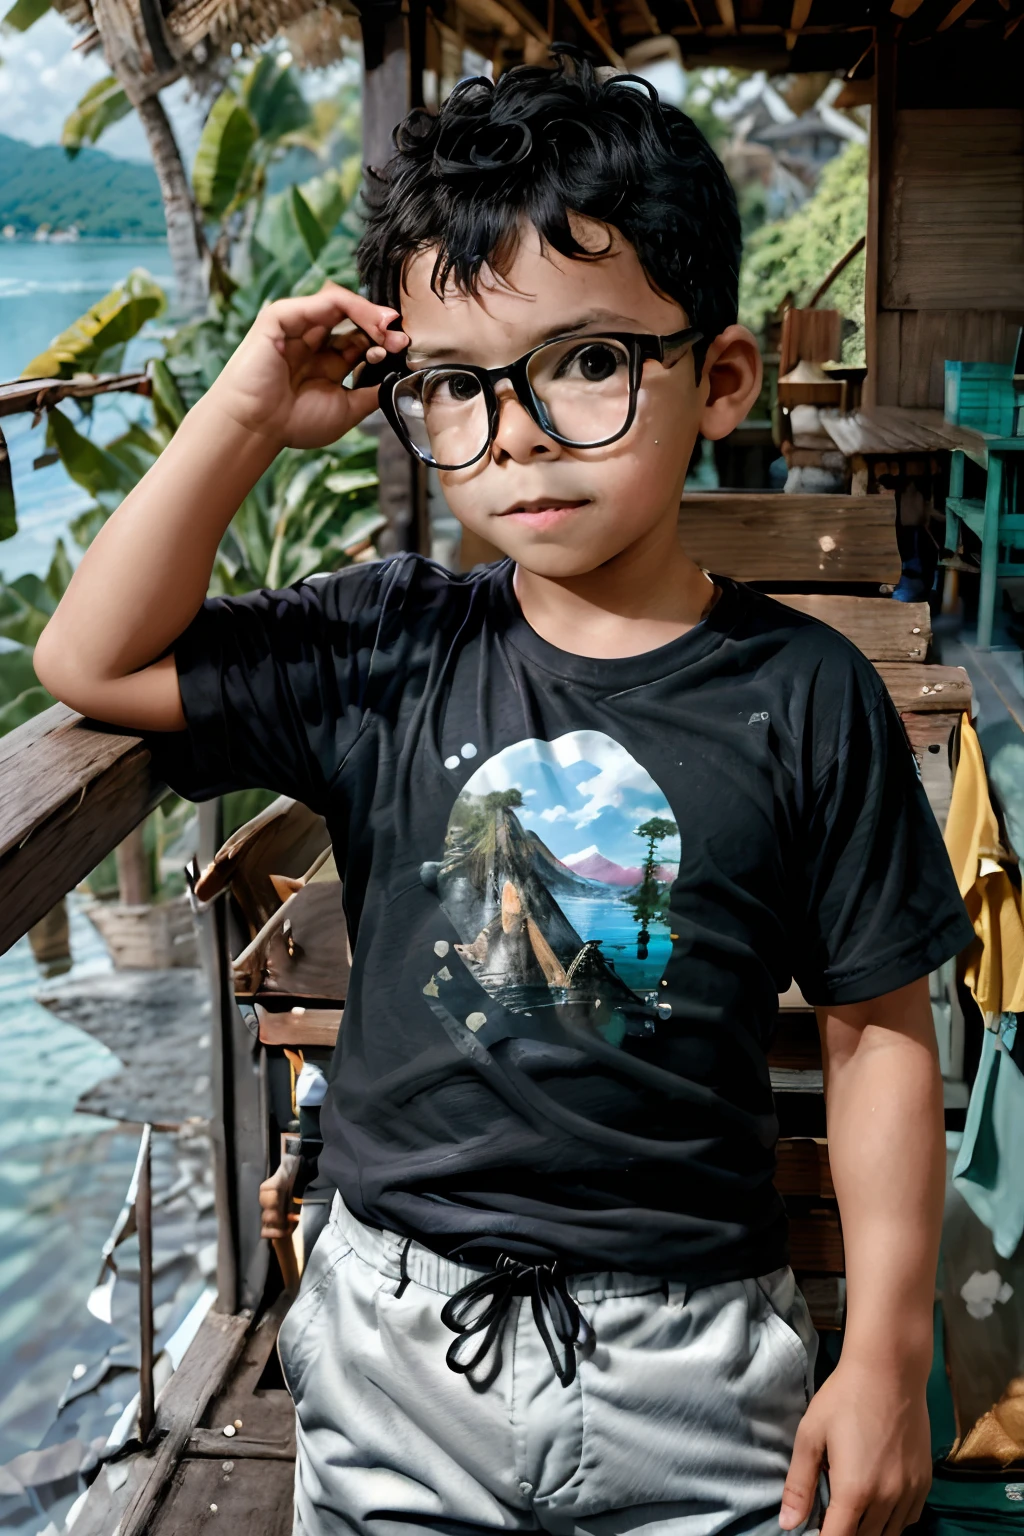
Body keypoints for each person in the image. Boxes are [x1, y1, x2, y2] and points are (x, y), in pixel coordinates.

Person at [34, 51, 974, 1536]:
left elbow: (877, 1040)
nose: (517, 432)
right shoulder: (388, 648)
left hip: (698, 1358)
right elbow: (89, 656)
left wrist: (888, 1354)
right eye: (458, 388)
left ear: (720, 378)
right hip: (400, 1338)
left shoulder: (805, 697)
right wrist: (240, 411)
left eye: (588, 363)